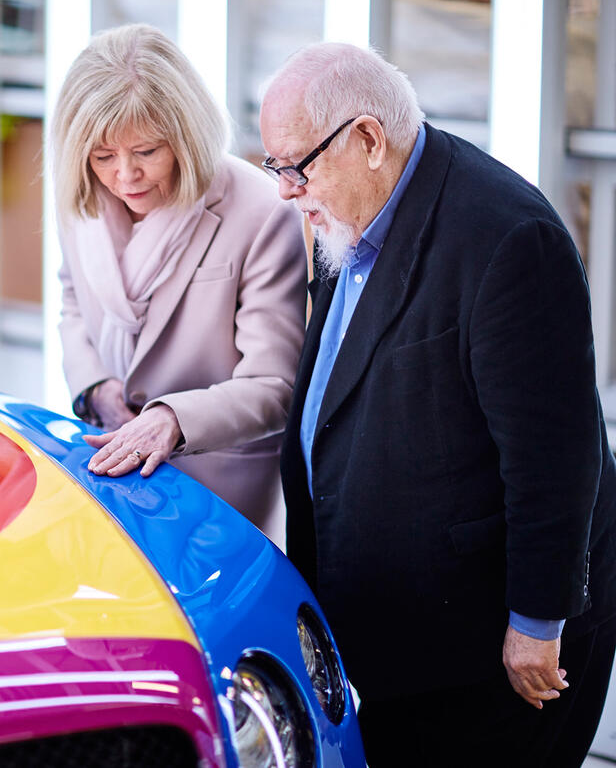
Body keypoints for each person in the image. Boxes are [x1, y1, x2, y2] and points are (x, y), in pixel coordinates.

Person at [259, 41, 616, 766]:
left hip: (493, 659)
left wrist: (537, 622)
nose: (285, 191)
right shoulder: (352, 211)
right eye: (275, 168)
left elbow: (557, 455)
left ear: (366, 139)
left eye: (297, 166)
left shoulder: (511, 241)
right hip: (400, 643)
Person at [49, 23, 307, 546]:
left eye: (146, 151)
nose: (126, 177)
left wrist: (171, 419)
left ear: (186, 136)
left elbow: (275, 386)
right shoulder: (82, 195)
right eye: (104, 157)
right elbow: (73, 300)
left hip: (219, 491)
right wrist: (95, 387)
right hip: (111, 473)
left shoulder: (261, 212)